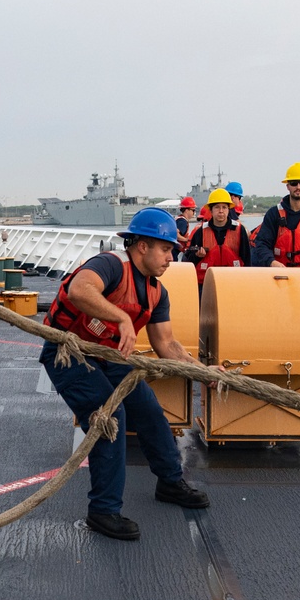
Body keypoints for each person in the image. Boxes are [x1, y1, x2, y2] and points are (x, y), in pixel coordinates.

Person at [39, 207, 215, 541]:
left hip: (109, 357)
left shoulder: (156, 292)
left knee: (148, 409)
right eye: (165, 249)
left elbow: (167, 345)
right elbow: (80, 290)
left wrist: (203, 372)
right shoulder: (109, 265)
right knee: (110, 414)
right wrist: (120, 317)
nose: (170, 258)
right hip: (69, 353)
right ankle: (103, 510)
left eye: (172, 251)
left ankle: (169, 481)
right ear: (142, 246)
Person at [186, 188, 250, 299]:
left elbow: (247, 259)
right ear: (211, 210)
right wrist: (197, 255)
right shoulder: (200, 231)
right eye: (217, 207)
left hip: (234, 284)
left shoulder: (240, 230)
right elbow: (189, 260)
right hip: (206, 286)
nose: (221, 211)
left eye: (224, 207)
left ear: (229, 210)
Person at [173, 196, 197, 260]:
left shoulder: (179, 219)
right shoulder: (182, 222)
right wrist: (187, 240)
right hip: (173, 251)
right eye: (193, 210)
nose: (194, 213)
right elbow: (175, 235)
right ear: (186, 210)